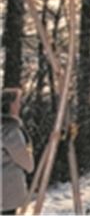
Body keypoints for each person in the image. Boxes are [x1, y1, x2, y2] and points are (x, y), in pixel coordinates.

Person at [1, 87, 34, 215]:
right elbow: (25, 160)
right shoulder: (10, 131)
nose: (20, 106)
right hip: (7, 188)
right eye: (18, 102)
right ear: (10, 105)